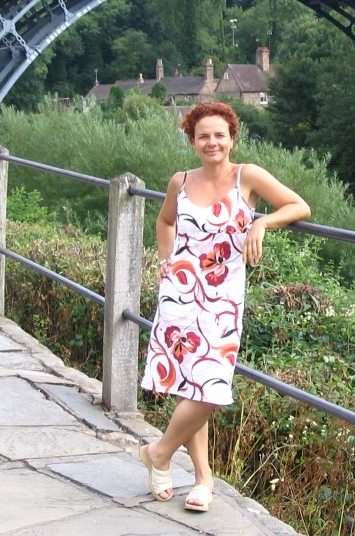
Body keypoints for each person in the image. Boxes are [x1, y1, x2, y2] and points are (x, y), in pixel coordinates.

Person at [137, 101, 311, 513]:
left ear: (232, 137)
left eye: (219, 134)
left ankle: (159, 453)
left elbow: (299, 206)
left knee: (211, 387)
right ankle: (202, 480)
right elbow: (164, 223)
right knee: (189, 385)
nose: (212, 142)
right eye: (203, 136)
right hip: (180, 296)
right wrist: (166, 262)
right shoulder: (179, 181)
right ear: (192, 140)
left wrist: (260, 222)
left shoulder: (246, 177)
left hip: (222, 301)